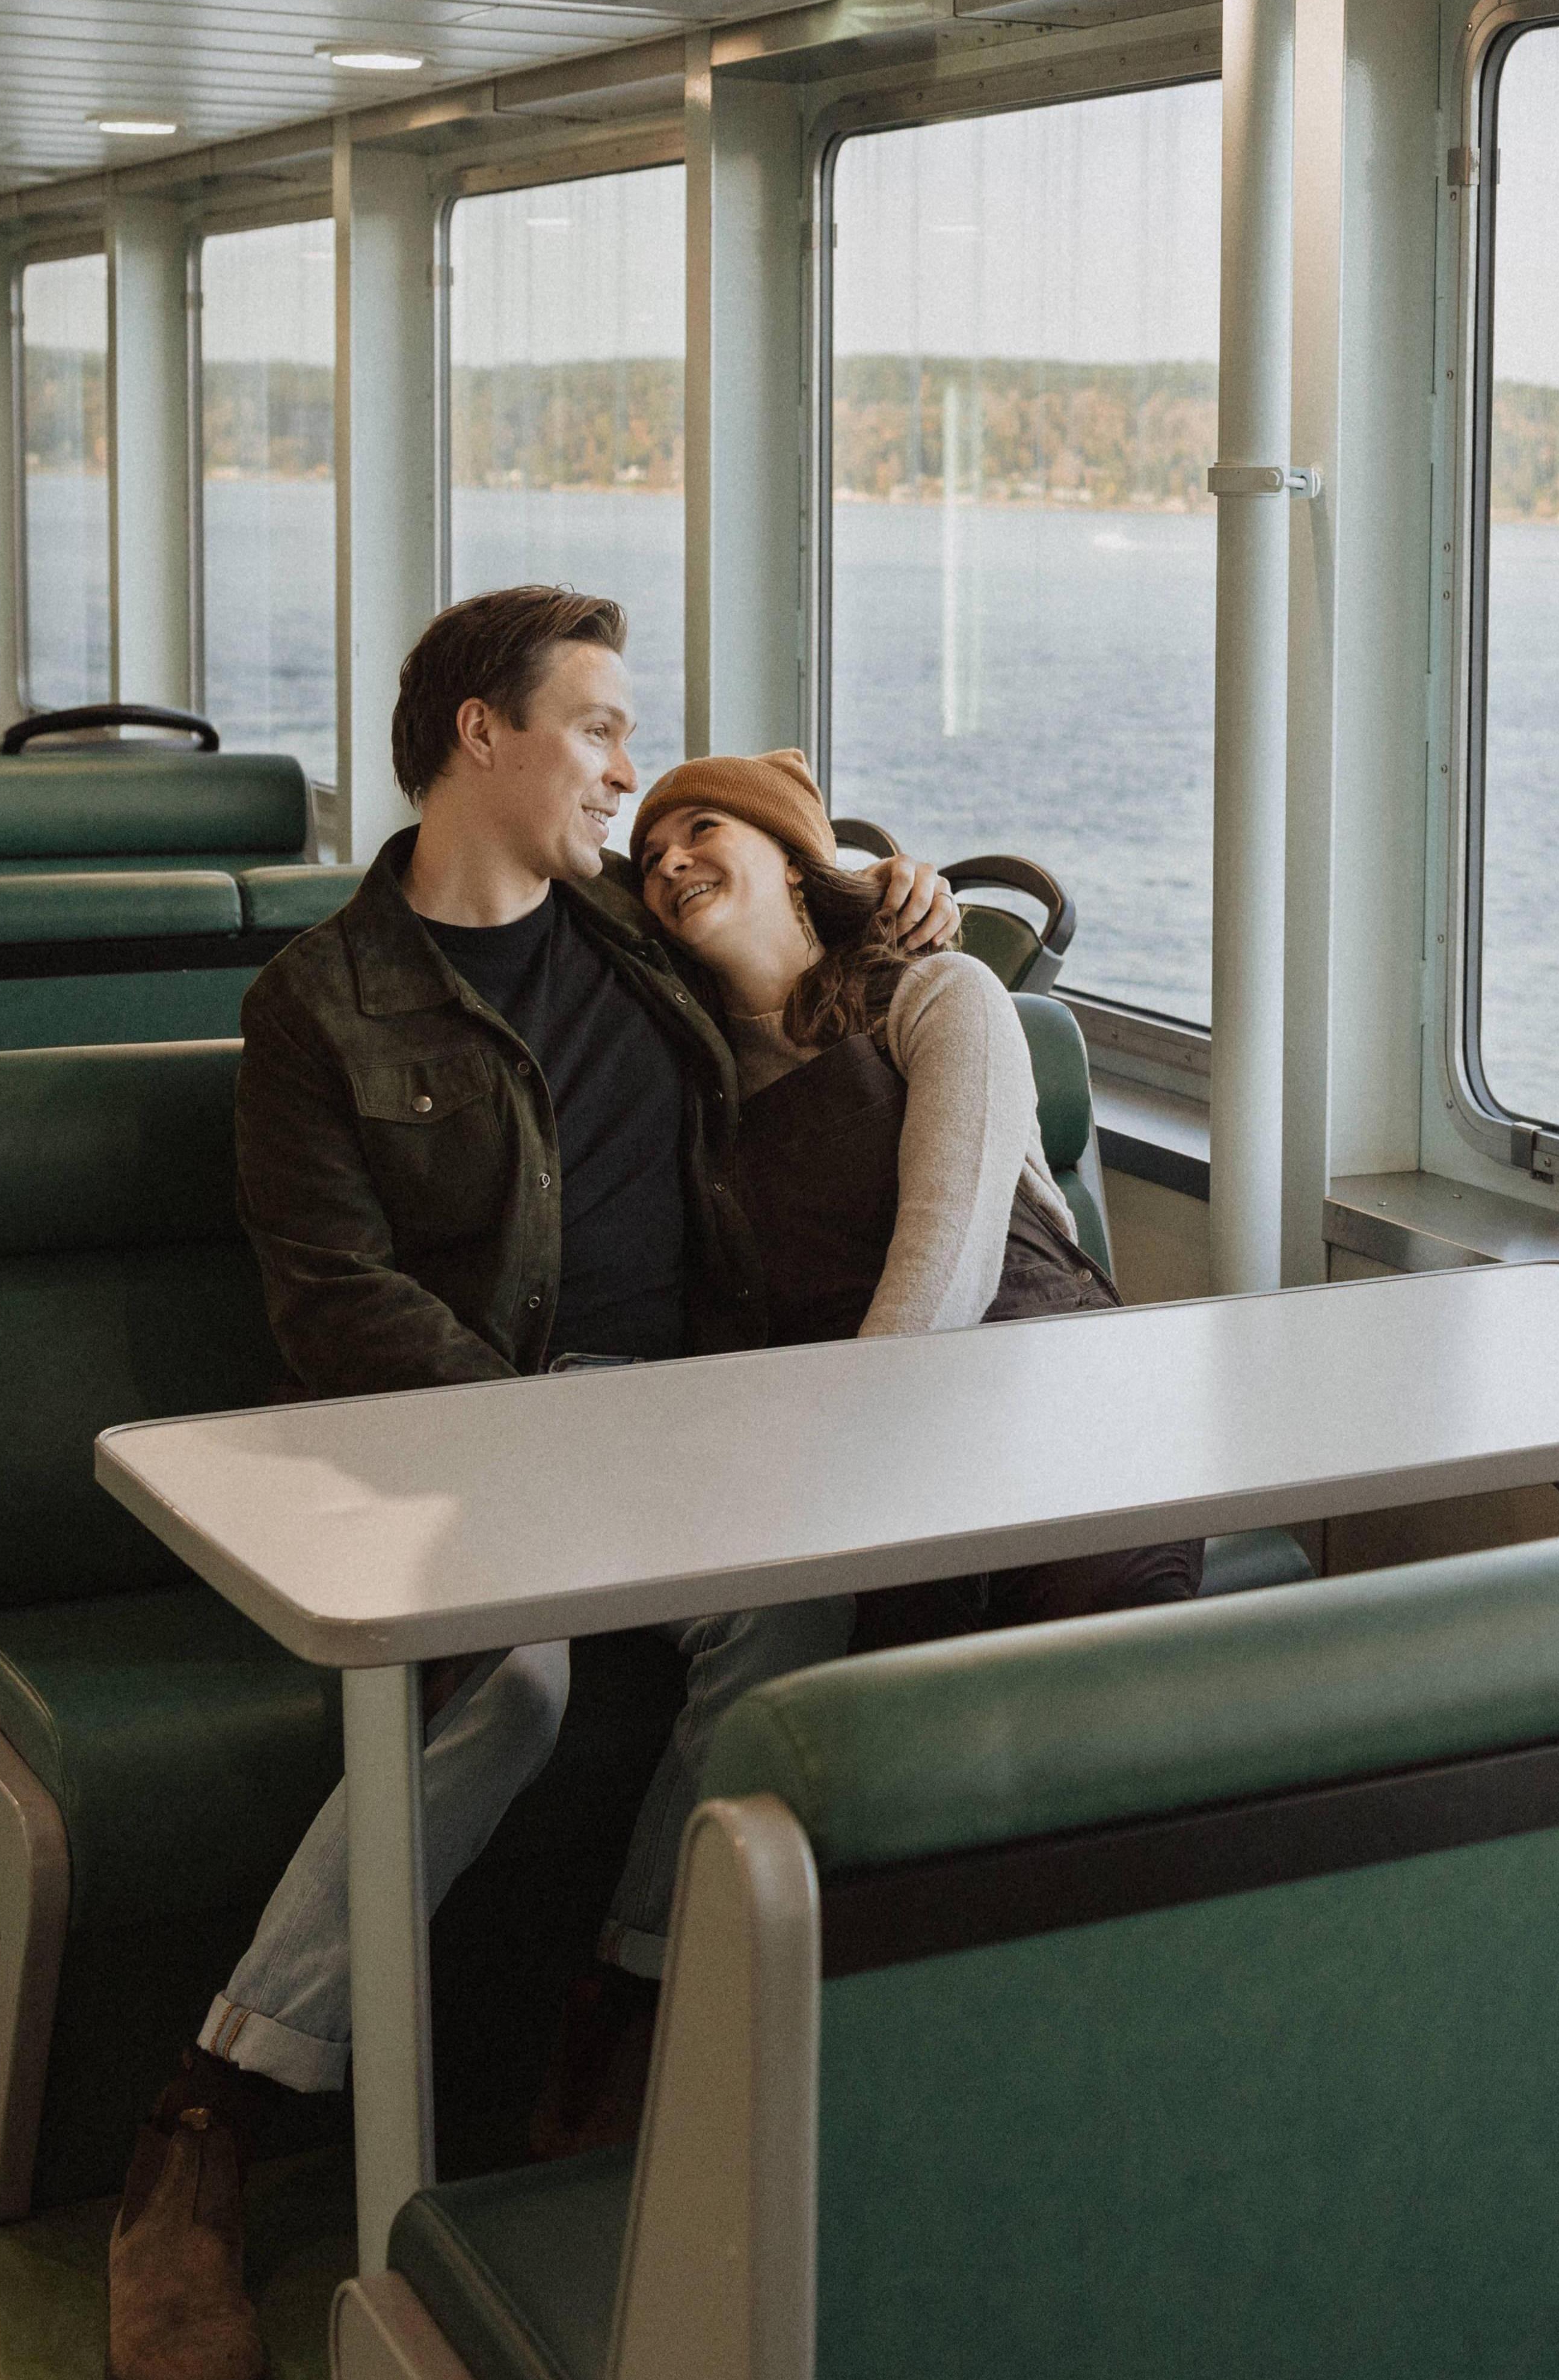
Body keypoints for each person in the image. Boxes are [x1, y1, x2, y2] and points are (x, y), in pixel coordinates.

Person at [106, 588, 955, 2380]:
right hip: (440, 1431)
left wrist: (898, 893)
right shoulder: (316, 1005)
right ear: (478, 735)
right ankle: (211, 2111)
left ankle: (623, 2020)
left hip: (684, 1417)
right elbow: (333, 1301)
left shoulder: (637, 940)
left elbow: (805, 934)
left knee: (795, 1604)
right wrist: (541, 1450)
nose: (628, 773)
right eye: (598, 728)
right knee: (523, 1681)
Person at [517, 752, 1203, 2150]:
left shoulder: (938, 996)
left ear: (794, 859)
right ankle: (854, 2073)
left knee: (1087, 1656)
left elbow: (951, 1255)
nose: (670, 858)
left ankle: (1113, 2051)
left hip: (1040, 1393)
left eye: (704, 828)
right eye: (652, 851)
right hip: (864, 1453)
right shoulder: (682, 1089)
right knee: (872, 1733)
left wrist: (846, 1469)